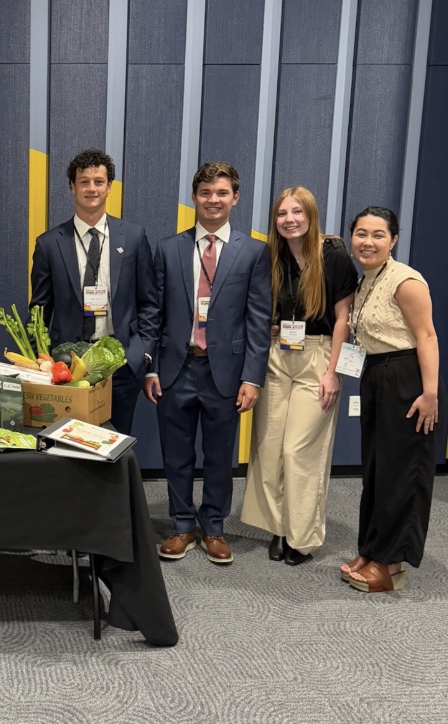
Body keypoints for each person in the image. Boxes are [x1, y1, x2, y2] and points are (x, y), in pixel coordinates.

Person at [145, 162, 271, 564]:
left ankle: (213, 526)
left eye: (221, 193)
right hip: (174, 368)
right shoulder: (168, 248)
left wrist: (253, 377)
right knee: (176, 452)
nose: (213, 200)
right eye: (205, 193)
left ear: (235, 197)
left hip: (227, 374)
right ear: (194, 197)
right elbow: (153, 312)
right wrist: (149, 366)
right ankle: (182, 525)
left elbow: (257, 320)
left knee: (220, 455)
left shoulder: (254, 252)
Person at [240, 188, 357, 565]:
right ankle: (278, 527)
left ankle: (302, 536)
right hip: (278, 359)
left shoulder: (334, 255)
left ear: (310, 215)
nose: (289, 219)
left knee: (300, 451)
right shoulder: (272, 256)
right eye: (282, 213)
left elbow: (344, 319)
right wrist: (273, 327)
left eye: (297, 212)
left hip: (318, 357)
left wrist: (334, 374)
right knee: (270, 448)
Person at [340, 206, 443, 593]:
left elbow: (428, 337)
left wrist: (429, 393)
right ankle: (371, 550)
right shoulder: (367, 278)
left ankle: (390, 564)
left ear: (394, 240)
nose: (368, 242)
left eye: (378, 235)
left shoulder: (406, 281)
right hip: (377, 375)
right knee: (378, 471)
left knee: (402, 474)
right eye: (361, 234)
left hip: (409, 379)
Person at [29, 148, 157, 436]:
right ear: (72, 187)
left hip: (122, 365)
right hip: (68, 367)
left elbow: (149, 303)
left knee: (118, 443)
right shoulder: (49, 244)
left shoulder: (134, 237)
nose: (91, 188)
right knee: (69, 446)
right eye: (84, 181)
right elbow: (39, 309)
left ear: (109, 187)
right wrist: (39, 355)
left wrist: (142, 355)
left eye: (99, 181)